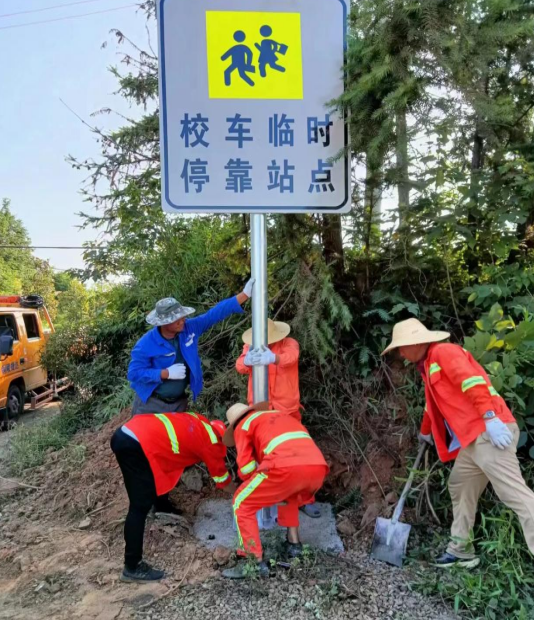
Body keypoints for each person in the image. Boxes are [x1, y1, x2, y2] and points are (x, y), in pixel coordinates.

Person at [382, 318, 534, 568]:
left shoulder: (444, 352)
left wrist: (490, 418)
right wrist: (425, 432)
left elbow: (472, 381)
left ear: (416, 342)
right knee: (459, 485)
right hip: (474, 441)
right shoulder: (429, 366)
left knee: (514, 494)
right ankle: (461, 549)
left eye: (401, 347)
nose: (400, 353)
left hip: (489, 431)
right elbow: (432, 408)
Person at [110, 411, 235, 582]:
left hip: (129, 433)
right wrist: (241, 491)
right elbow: (223, 481)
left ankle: (162, 506)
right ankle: (132, 566)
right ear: (221, 438)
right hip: (135, 444)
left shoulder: (198, 420)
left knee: (155, 476)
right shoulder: (211, 442)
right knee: (139, 505)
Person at [220, 402, 329, 579]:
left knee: (241, 501)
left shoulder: (244, 425)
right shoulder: (281, 417)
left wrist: (257, 484)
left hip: (284, 467)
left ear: (234, 423)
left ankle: (252, 561)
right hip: (317, 467)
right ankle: (294, 546)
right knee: (290, 494)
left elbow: (246, 469)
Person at [128, 279, 254, 416]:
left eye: (182, 316)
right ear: (164, 323)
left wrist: (244, 295)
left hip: (178, 403)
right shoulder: (145, 344)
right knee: (149, 437)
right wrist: (165, 373)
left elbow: (213, 315)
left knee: (176, 437)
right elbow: (134, 373)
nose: (182, 320)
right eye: (176, 319)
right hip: (150, 405)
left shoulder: (188, 328)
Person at [236, 319, 321, 518]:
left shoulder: (289, 344)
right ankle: (267, 496)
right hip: (261, 410)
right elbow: (240, 365)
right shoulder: (250, 345)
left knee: (297, 456)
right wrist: (247, 360)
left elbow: (291, 358)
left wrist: (273, 357)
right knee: (262, 455)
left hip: (287, 412)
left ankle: (304, 500)